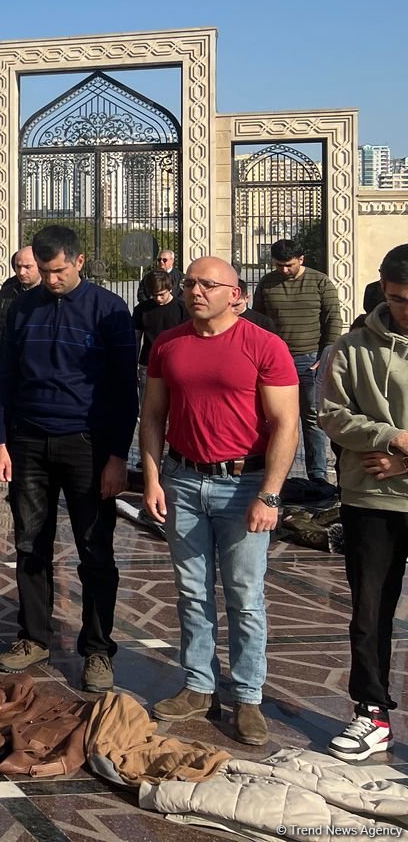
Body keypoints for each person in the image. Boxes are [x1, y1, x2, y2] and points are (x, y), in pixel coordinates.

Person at [140, 257, 299, 747]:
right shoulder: (169, 344)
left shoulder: (264, 345)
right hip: (184, 481)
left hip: (243, 485)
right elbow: (152, 417)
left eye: (207, 284)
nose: (195, 291)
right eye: (190, 282)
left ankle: (248, 695)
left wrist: (269, 494)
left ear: (235, 293)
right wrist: (152, 478)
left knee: (245, 597)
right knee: (191, 591)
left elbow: (286, 425)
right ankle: (198, 685)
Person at [0, 225, 137, 693]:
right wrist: (1, 442)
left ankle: (97, 649)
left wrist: (117, 456)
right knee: (30, 544)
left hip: (87, 447)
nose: (50, 280)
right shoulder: (21, 308)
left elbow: (123, 392)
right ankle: (33, 636)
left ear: (79, 261)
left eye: (57, 271)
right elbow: (6, 381)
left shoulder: (109, 311)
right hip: (29, 442)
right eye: (44, 271)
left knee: (95, 550)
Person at [320, 245, 408, 762]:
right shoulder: (353, 347)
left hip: (392, 474)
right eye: (397, 299)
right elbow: (331, 415)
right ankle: (371, 712)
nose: (405, 310)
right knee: (369, 611)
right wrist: (392, 437)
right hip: (370, 498)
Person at [253, 239, 345, 485]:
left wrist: (325, 358)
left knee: (312, 419)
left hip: (310, 360)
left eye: (289, 265)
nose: (284, 270)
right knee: (273, 419)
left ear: (301, 259)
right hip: (275, 361)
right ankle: (273, 474)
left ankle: (318, 476)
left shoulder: (320, 281)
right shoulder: (267, 283)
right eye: (279, 265)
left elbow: (333, 321)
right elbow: (258, 322)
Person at [0, 246, 40, 390]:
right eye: (18, 267)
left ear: (40, 265)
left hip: (37, 370)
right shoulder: (8, 289)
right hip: (8, 367)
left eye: (27, 267)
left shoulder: (51, 292)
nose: (21, 272)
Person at [133, 268, 187, 404]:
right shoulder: (142, 309)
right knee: (147, 405)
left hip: (176, 363)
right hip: (148, 363)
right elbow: (136, 339)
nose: (158, 298)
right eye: (154, 295)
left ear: (169, 288)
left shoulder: (183, 309)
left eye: (161, 294)